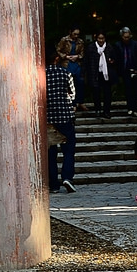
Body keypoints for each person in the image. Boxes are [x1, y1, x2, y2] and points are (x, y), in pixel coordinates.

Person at [46, 48, 78, 194]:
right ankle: (67, 177)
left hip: (48, 119)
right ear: (56, 59)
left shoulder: (41, 75)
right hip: (65, 116)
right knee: (69, 150)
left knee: (50, 153)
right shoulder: (65, 73)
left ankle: (53, 184)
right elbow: (72, 94)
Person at [87, 32, 119, 116]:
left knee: (107, 93)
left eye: (102, 38)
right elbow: (88, 61)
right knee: (96, 92)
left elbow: (115, 59)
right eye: (99, 38)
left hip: (106, 73)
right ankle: (97, 109)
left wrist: (112, 61)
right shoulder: (91, 47)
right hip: (95, 73)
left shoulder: (109, 47)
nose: (101, 40)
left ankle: (106, 111)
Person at [114, 27, 137, 114]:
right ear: (122, 37)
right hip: (125, 70)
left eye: (128, 37)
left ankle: (135, 107)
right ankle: (130, 107)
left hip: (135, 69)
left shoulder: (135, 44)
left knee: (136, 89)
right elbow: (117, 58)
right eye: (125, 37)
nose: (126, 39)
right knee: (128, 89)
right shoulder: (118, 45)